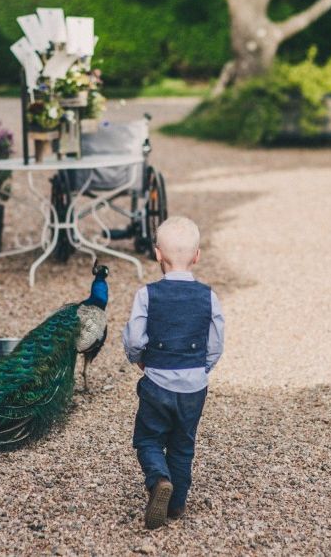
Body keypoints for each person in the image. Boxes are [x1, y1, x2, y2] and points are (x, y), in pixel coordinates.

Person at [122, 216, 224, 529]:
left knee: (149, 439)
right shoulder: (208, 296)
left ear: (156, 254)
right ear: (197, 256)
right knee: (183, 445)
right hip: (194, 387)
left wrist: (138, 359)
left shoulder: (147, 294)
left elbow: (136, 338)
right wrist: (201, 368)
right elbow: (216, 341)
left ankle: (159, 480)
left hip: (157, 383)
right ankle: (176, 504)